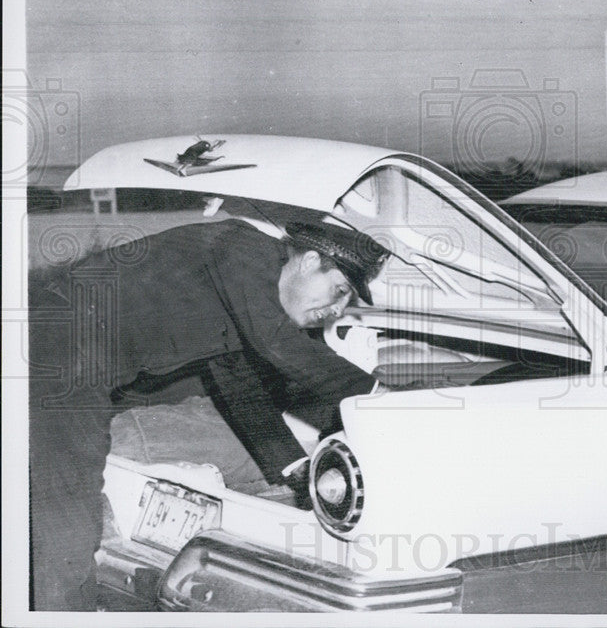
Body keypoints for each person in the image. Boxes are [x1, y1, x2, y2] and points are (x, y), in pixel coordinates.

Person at [28, 217, 388, 611]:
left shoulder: (242, 297)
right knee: (67, 514)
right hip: (55, 354)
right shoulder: (242, 249)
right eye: (339, 290)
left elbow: (239, 384)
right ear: (308, 260)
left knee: (49, 503)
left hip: (66, 361)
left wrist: (294, 466)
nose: (336, 309)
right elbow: (278, 345)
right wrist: (379, 397)